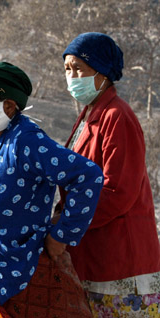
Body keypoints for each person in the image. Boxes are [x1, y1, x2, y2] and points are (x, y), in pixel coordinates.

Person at [0, 61, 104, 318]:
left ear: (9, 106)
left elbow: (87, 176)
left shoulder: (27, 141)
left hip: (20, 275)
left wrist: (62, 235)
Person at [57, 32, 160, 317]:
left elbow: (118, 192)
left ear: (102, 71)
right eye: (67, 68)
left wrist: (67, 226)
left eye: (79, 68)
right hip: (94, 255)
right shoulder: (91, 112)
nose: (72, 75)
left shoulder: (117, 116)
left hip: (120, 261)